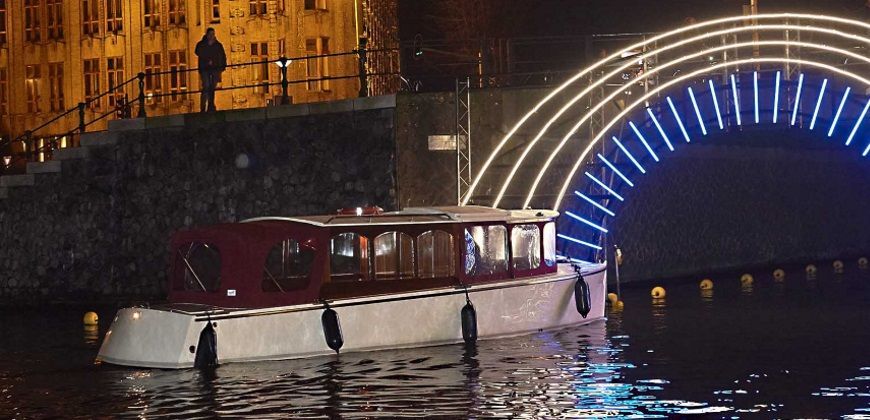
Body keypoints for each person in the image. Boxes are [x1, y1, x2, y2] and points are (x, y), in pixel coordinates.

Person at [194, 28, 227, 112]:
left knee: (212, 87)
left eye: (213, 34)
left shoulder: (218, 45)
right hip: (205, 69)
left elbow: (223, 55)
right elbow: (197, 51)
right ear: (207, 35)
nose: (211, 36)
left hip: (215, 69)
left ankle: (211, 106)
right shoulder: (202, 44)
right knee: (206, 86)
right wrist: (207, 59)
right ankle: (203, 107)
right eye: (210, 34)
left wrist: (223, 66)